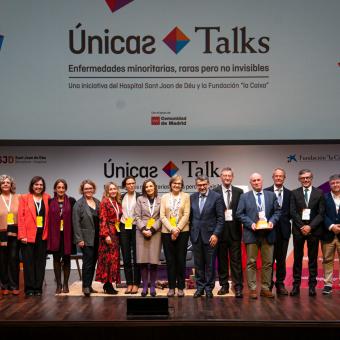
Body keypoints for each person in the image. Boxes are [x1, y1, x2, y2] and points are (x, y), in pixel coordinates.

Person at [236, 172, 281, 299]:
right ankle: (253, 289)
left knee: (268, 263)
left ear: (262, 181)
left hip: (268, 233)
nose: (256, 182)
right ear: (250, 183)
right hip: (252, 234)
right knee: (251, 262)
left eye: (258, 180)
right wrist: (251, 224)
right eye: (254, 181)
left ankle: (265, 289)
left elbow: (278, 211)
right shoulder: (244, 197)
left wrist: (272, 221)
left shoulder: (271, 195)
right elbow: (239, 214)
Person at [290, 169, 325, 297]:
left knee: (312, 260)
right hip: (299, 231)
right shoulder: (294, 193)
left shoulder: (319, 193)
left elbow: (321, 213)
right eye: (303, 178)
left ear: (311, 178)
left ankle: (312, 287)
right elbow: (293, 212)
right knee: (297, 259)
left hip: (314, 231)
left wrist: (310, 227)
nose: (305, 180)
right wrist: (303, 227)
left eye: (308, 178)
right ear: (299, 179)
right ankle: (295, 286)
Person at [190, 175, 224, 298]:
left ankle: (209, 288)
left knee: (210, 264)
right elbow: (190, 218)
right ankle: (200, 288)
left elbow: (221, 219)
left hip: (211, 237)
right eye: (199, 185)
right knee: (198, 264)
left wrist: (216, 234)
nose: (202, 187)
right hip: (196, 236)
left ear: (208, 184)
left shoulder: (216, 197)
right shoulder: (192, 197)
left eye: (204, 184)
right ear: (196, 186)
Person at [213, 167, 244, 298]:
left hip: (235, 232)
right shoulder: (214, 192)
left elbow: (242, 211)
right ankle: (224, 285)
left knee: (236, 261)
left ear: (232, 177)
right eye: (224, 175)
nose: (227, 178)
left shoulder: (239, 192)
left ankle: (237, 287)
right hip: (220, 232)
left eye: (229, 176)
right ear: (221, 177)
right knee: (222, 261)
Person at [18, 176, 50, 296]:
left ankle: (38, 288)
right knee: (28, 263)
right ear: (32, 186)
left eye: (41, 185)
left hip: (43, 236)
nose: (38, 187)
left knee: (41, 263)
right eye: (36, 184)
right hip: (28, 236)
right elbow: (20, 218)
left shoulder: (47, 198)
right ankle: (29, 288)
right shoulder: (24, 198)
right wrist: (22, 235)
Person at [160, 175, 190, 297]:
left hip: (182, 232)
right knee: (170, 261)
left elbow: (187, 214)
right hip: (167, 232)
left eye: (179, 183)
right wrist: (172, 229)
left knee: (181, 260)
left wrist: (177, 229)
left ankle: (181, 287)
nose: (176, 185)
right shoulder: (164, 197)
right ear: (170, 184)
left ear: (181, 185)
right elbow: (162, 216)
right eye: (174, 183)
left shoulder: (186, 196)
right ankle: (171, 287)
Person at [264, 168, 291, 295]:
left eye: (281, 176)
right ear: (273, 177)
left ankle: (280, 284)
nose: (279, 178)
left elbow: (292, 213)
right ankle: (268, 284)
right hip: (269, 231)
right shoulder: (266, 192)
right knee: (269, 260)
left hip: (284, 232)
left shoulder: (290, 194)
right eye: (276, 176)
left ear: (284, 178)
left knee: (281, 260)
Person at [48, 179, 76, 294]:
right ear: (55, 189)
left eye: (63, 187)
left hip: (67, 235)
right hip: (54, 235)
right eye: (58, 187)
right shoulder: (50, 201)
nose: (60, 189)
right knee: (56, 259)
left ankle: (65, 284)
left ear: (65, 189)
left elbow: (74, 219)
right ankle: (58, 285)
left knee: (66, 259)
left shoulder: (71, 201)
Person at [73, 179, 100, 297]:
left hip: (98, 238)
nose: (88, 190)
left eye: (90, 188)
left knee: (93, 262)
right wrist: (79, 239)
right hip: (86, 238)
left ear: (93, 189)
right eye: (86, 189)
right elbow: (76, 223)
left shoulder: (98, 202)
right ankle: (85, 286)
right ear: (82, 190)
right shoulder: (78, 204)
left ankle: (89, 285)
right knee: (87, 263)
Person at [134, 179, 161, 297]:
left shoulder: (161, 200)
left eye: (151, 186)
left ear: (154, 187)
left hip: (155, 232)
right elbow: (136, 216)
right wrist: (144, 229)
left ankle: (153, 286)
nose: (149, 188)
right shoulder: (140, 199)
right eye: (146, 187)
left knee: (154, 261)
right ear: (144, 189)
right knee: (143, 261)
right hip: (141, 232)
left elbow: (162, 217)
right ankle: (144, 286)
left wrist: (152, 229)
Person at [95, 182, 122, 295]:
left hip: (116, 233)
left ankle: (110, 283)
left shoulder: (117, 202)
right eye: (110, 189)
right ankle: (107, 284)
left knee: (114, 259)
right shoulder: (105, 202)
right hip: (108, 234)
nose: (113, 191)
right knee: (108, 260)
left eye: (114, 189)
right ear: (107, 191)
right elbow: (103, 219)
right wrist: (106, 235)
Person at [120, 176, 141, 294]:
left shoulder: (140, 196)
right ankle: (129, 283)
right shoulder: (121, 197)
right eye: (129, 184)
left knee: (137, 257)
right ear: (125, 185)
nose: (131, 185)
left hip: (136, 227)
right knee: (126, 256)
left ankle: (136, 283)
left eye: (133, 183)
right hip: (124, 227)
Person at [0, 175, 21, 296]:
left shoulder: (18, 198)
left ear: (11, 185)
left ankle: (14, 286)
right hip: (0, 233)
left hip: (15, 233)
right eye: (3, 183)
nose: (6, 184)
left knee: (14, 259)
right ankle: (4, 285)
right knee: (2, 260)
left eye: (8, 182)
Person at [320, 174, 340, 295]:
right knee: (327, 260)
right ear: (329, 185)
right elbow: (322, 214)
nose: (336, 185)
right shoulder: (324, 197)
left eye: (338, 182)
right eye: (333, 183)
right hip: (328, 234)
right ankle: (328, 284)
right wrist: (332, 226)